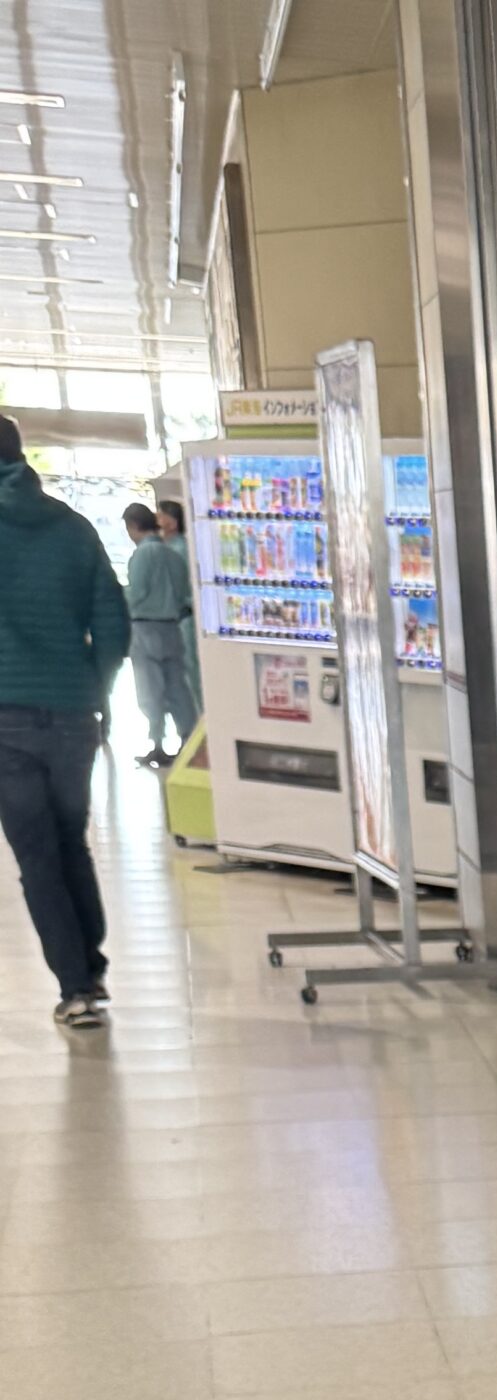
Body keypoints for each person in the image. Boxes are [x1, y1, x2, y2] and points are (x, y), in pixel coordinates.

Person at [0, 415, 129, 1028]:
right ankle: (91, 967)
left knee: (38, 854)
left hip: (5, 721)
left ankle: (76, 988)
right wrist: (93, 687)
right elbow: (113, 622)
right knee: (70, 841)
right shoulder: (74, 528)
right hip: (74, 714)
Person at [121, 501, 195, 768]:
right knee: (178, 688)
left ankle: (157, 743)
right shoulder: (174, 554)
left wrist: (119, 595)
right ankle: (189, 739)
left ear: (133, 526)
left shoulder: (142, 554)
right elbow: (183, 594)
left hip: (144, 629)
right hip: (172, 628)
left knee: (150, 691)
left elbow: (137, 593)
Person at [157, 497, 199, 720]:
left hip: (184, 617)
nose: (156, 520)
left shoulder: (178, 549)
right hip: (177, 618)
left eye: (160, 515)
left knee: (190, 673)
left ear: (172, 522)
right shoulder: (169, 547)